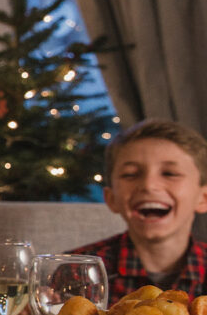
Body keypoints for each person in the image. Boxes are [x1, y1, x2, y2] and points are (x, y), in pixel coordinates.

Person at [71, 119, 207, 302]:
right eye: (130, 175)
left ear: (203, 198)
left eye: (170, 174)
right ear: (111, 199)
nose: (149, 185)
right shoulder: (75, 271)